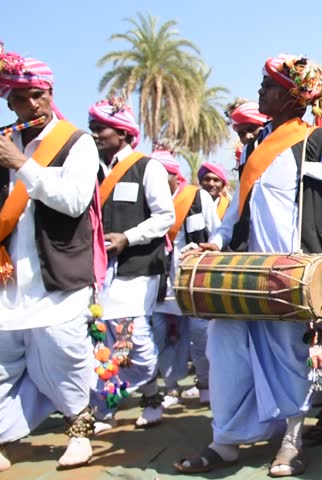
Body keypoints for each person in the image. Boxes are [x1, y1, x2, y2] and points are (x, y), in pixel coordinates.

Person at [174, 53, 322, 477]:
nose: (261, 92)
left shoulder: (319, 141)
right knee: (223, 348)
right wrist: (217, 240)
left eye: (268, 86)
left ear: (292, 96)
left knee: (288, 353)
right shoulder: (253, 145)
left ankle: (291, 440)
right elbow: (235, 212)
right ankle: (224, 440)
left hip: (291, 269)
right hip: (243, 268)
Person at [0, 49, 104, 471]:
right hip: (9, 276)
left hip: (57, 274)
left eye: (31, 96)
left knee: (64, 354)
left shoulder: (78, 142)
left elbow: (75, 200)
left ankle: (79, 430)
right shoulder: (6, 138)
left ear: (46, 94)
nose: (22, 105)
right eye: (16, 97)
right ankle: (5, 437)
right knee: (5, 363)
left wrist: (22, 165)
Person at [89, 97, 176, 432]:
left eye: (101, 128)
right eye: (92, 127)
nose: (95, 134)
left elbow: (165, 216)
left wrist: (128, 237)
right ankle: (113, 404)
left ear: (123, 134)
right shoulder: (91, 167)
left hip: (137, 266)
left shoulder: (147, 166)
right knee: (107, 342)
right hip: (98, 270)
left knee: (132, 337)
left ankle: (144, 391)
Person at [148, 148, 220, 408]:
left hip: (193, 283)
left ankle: (205, 384)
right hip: (159, 284)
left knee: (200, 337)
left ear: (173, 176)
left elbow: (217, 235)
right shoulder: (147, 199)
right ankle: (170, 388)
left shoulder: (197, 197)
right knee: (162, 337)